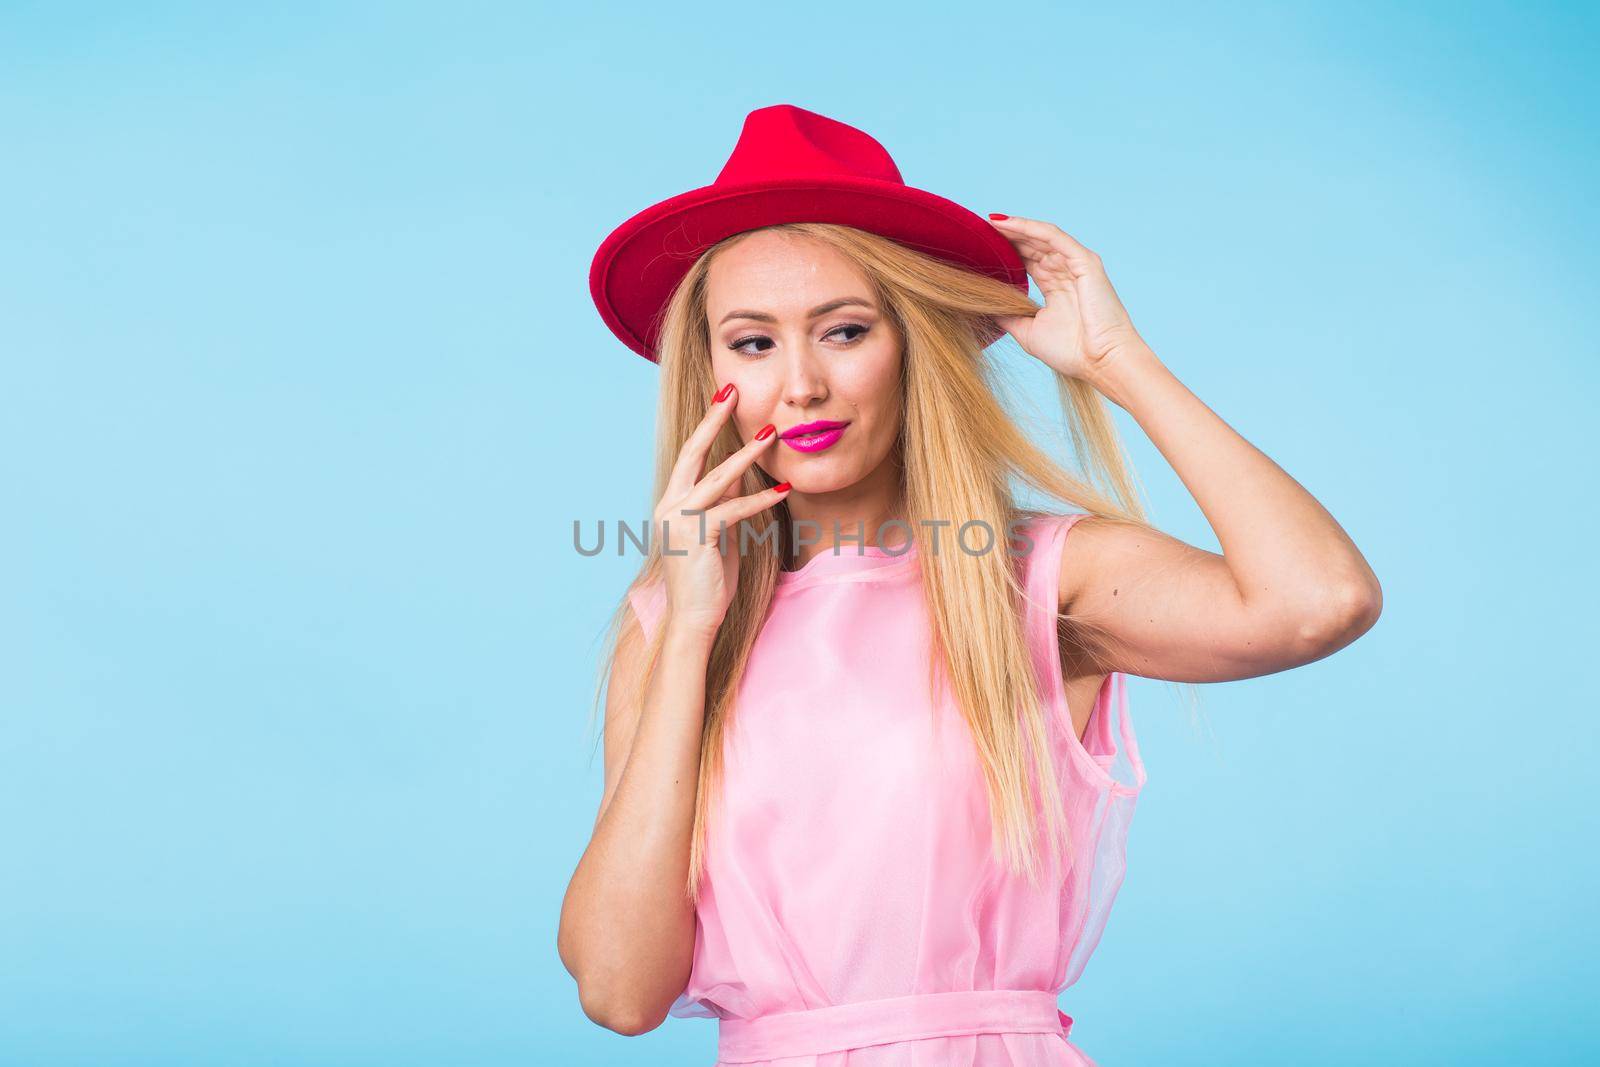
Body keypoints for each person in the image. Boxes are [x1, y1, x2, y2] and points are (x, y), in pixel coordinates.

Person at [558, 104, 1382, 1065]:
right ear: (711, 371)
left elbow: (1322, 600)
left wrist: (1121, 364)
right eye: (754, 342)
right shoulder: (667, 623)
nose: (803, 385)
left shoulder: (1041, 580)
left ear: (915, 344)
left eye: (846, 330)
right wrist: (695, 621)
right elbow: (619, 989)